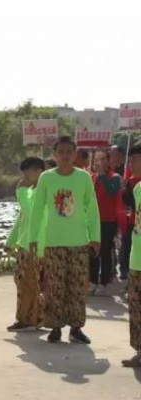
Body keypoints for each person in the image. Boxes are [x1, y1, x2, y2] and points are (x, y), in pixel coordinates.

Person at [29, 135, 100, 344]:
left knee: (77, 286)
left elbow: (92, 209)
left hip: (79, 242)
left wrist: (95, 237)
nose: (66, 156)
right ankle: (56, 327)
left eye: (69, 152)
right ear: (55, 155)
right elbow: (37, 210)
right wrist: (33, 238)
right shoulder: (47, 178)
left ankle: (76, 328)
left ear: (75, 154)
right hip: (53, 242)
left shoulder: (83, 178)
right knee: (55, 286)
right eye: (61, 152)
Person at [5, 157, 45, 332]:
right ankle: (33, 316)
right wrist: (10, 241)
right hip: (24, 244)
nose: (26, 176)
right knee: (22, 282)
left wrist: (20, 192)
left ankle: (28, 318)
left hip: (34, 246)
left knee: (28, 283)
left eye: (29, 171)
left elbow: (31, 213)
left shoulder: (40, 192)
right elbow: (21, 219)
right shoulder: (30, 191)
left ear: (38, 171)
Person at [90, 151, 121, 295]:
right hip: (93, 220)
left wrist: (102, 176)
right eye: (97, 159)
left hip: (108, 221)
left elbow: (112, 192)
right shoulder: (91, 177)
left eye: (103, 159)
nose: (99, 162)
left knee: (105, 251)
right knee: (93, 250)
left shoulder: (115, 178)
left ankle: (104, 281)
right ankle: (92, 280)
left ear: (108, 162)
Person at [122, 144, 141, 368]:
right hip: (137, 258)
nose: (132, 164)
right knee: (136, 308)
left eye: (137, 159)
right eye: (132, 159)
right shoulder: (137, 189)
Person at [117, 147, 141, 282]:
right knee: (128, 253)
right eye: (130, 161)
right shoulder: (128, 182)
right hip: (131, 224)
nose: (132, 164)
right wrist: (124, 190)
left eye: (136, 160)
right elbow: (128, 205)